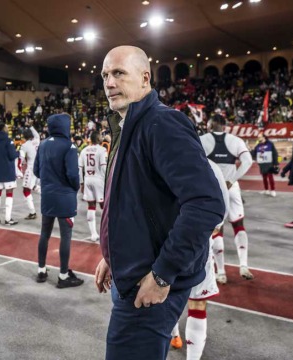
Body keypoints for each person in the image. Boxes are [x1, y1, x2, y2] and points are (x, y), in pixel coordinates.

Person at [94, 46, 225, 360]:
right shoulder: (130, 127)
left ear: (144, 78)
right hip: (132, 272)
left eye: (118, 73)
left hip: (148, 282)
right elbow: (134, 203)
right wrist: (112, 252)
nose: (109, 82)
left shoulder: (161, 124)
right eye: (104, 75)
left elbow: (205, 203)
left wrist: (163, 274)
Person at [170, 160, 229, 359]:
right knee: (197, 303)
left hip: (162, 245)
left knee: (166, 299)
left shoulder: (150, 159)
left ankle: (175, 335)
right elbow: (222, 213)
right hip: (197, 245)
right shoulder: (210, 166)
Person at [200, 114, 254, 284]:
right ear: (224, 126)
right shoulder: (236, 140)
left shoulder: (202, 139)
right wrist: (233, 179)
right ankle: (244, 265)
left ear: (211, 124)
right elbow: (247, 161)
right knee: (239, 225)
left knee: (217, 230)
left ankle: (221, 272)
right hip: (232, 188)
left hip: (213, 189)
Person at [33, 113, 84, 288]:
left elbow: (36, 171)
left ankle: (41, 269)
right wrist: (75, 187)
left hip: (47, 196)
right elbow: (72, 174)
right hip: (65, 198)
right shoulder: (69, 146)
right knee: (66, 236)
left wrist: (49, 181)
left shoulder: (43, 144)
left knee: (44, 233)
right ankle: (63, 275)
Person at [78, 131, 107, 241]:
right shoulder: (102, 150)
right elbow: (104, 167)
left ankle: (94, 234)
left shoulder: (84, 150)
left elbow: (79, 168)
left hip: (88, 180)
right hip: (99, 180)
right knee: (105, 206)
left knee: (91, 206)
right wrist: (107, 180)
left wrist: (81, 182)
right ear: (98, 138)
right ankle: (107, 232)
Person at [0, 123, 19, 225]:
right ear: (4, 129)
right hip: (8, 171)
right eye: (6, 127)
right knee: (9, 194)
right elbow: (12, 156)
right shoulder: (8, 141)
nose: (8, 128)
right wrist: (18, 152)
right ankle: (7, 219)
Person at [19, 124, 41, 220]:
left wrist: (20, 168)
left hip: (31, 169)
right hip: (39, 167)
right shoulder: (37, 140)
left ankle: (32, 212)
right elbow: (37, 134)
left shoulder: (24, 145)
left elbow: (22, 159)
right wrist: (31, 126)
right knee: (32, 186)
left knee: (26, 190)